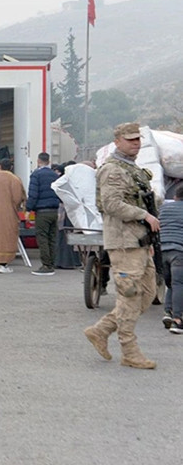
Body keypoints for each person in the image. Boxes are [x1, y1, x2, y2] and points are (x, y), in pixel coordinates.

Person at [83, 122, 159, 370]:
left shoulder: (133, 169)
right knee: (130, 295)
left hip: (138, 241)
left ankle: (101, 330)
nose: (135, 143)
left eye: (137, 139)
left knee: (146, 295)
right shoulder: (113, 170)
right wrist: (143, 215)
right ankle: (129, 350)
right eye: (129, 139)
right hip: (124, 241)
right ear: (117, 141)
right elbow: (112, 203)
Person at [26, 152, 60, 276]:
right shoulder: (54, 175)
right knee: (52, 238)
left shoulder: (36, 175)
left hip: (42, 211)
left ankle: (46, 265)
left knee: (42, 238)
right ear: (49, 161)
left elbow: (33, 194)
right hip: (54, 211)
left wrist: (28, 209)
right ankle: (52, 262)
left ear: (38, 161)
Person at [160, 186, 183, 334]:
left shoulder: (163, 209)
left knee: (172, 284)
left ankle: (168, 312)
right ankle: (177, 320)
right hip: (179, 251)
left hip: (161, 251)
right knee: (179, 283)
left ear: (175, 196)